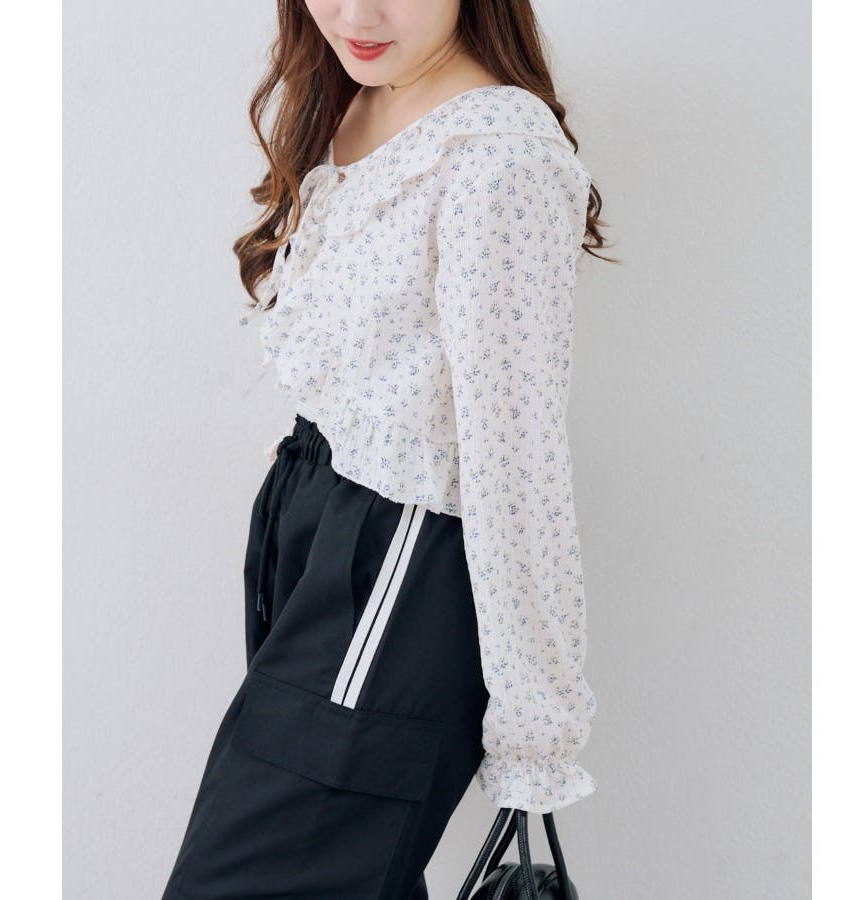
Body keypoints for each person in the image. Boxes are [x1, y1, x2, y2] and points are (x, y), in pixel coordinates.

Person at [161, 2, 611, 898]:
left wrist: (537, 731)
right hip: (316, 524)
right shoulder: (360, 93)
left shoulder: (496, 159)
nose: (355, 14)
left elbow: (516, 460)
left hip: (395, 560)